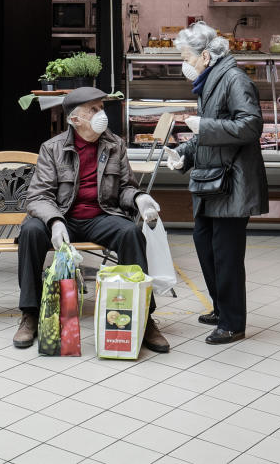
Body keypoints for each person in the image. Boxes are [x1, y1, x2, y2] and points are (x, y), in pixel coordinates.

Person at [13, 87, 169, 353]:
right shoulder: (53, 148)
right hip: (64, 216)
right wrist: (55, 221)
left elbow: (125, 188)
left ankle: (144, 317)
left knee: (131, 233)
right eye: (94, 110)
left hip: (101, 215)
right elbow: (38, 196)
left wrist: (140, 198)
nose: (101, 114)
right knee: (30, 230)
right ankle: (30, 313)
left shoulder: (115, 144)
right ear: (75, 119)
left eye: (102, 108)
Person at [164, 22, 267, 345]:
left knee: (226, 254)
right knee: (206, 245)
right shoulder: (211, 81)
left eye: (186, 57)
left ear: (205, 56)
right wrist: (183, 152)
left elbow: (250, 125)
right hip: (211, 181)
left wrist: (204, 126)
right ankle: (221, 308)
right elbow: (208, 135)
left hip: (232, 182)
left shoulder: (234, 79)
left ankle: (233, 322)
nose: (185, 64)